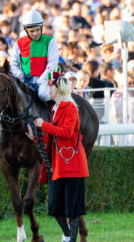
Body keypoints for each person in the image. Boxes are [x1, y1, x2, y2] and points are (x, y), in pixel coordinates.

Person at [26, 75, 88, 242]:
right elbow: (55, 136)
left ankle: (71, 239)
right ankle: (68, 235)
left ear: (59, 89)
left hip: (72, 165)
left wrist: (43, 125)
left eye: (51, 87)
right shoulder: (56, 109)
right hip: (59, 165)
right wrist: (36, 137)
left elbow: (66, 132)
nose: (48, 90)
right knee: (54, 207)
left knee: (73, 210)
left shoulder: (70, 108)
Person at [9, 10, 59, 103]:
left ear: (41, 27)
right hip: (25, 80)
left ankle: (54, 115)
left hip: (45, 80)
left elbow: (52, 64)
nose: (35, 33)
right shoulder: (19, 43)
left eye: (37, 30)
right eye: (32, 31)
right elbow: (13, 64)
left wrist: (38, 82)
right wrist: (21, 75)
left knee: (43, 94)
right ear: (26, 30)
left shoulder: (50, 41)